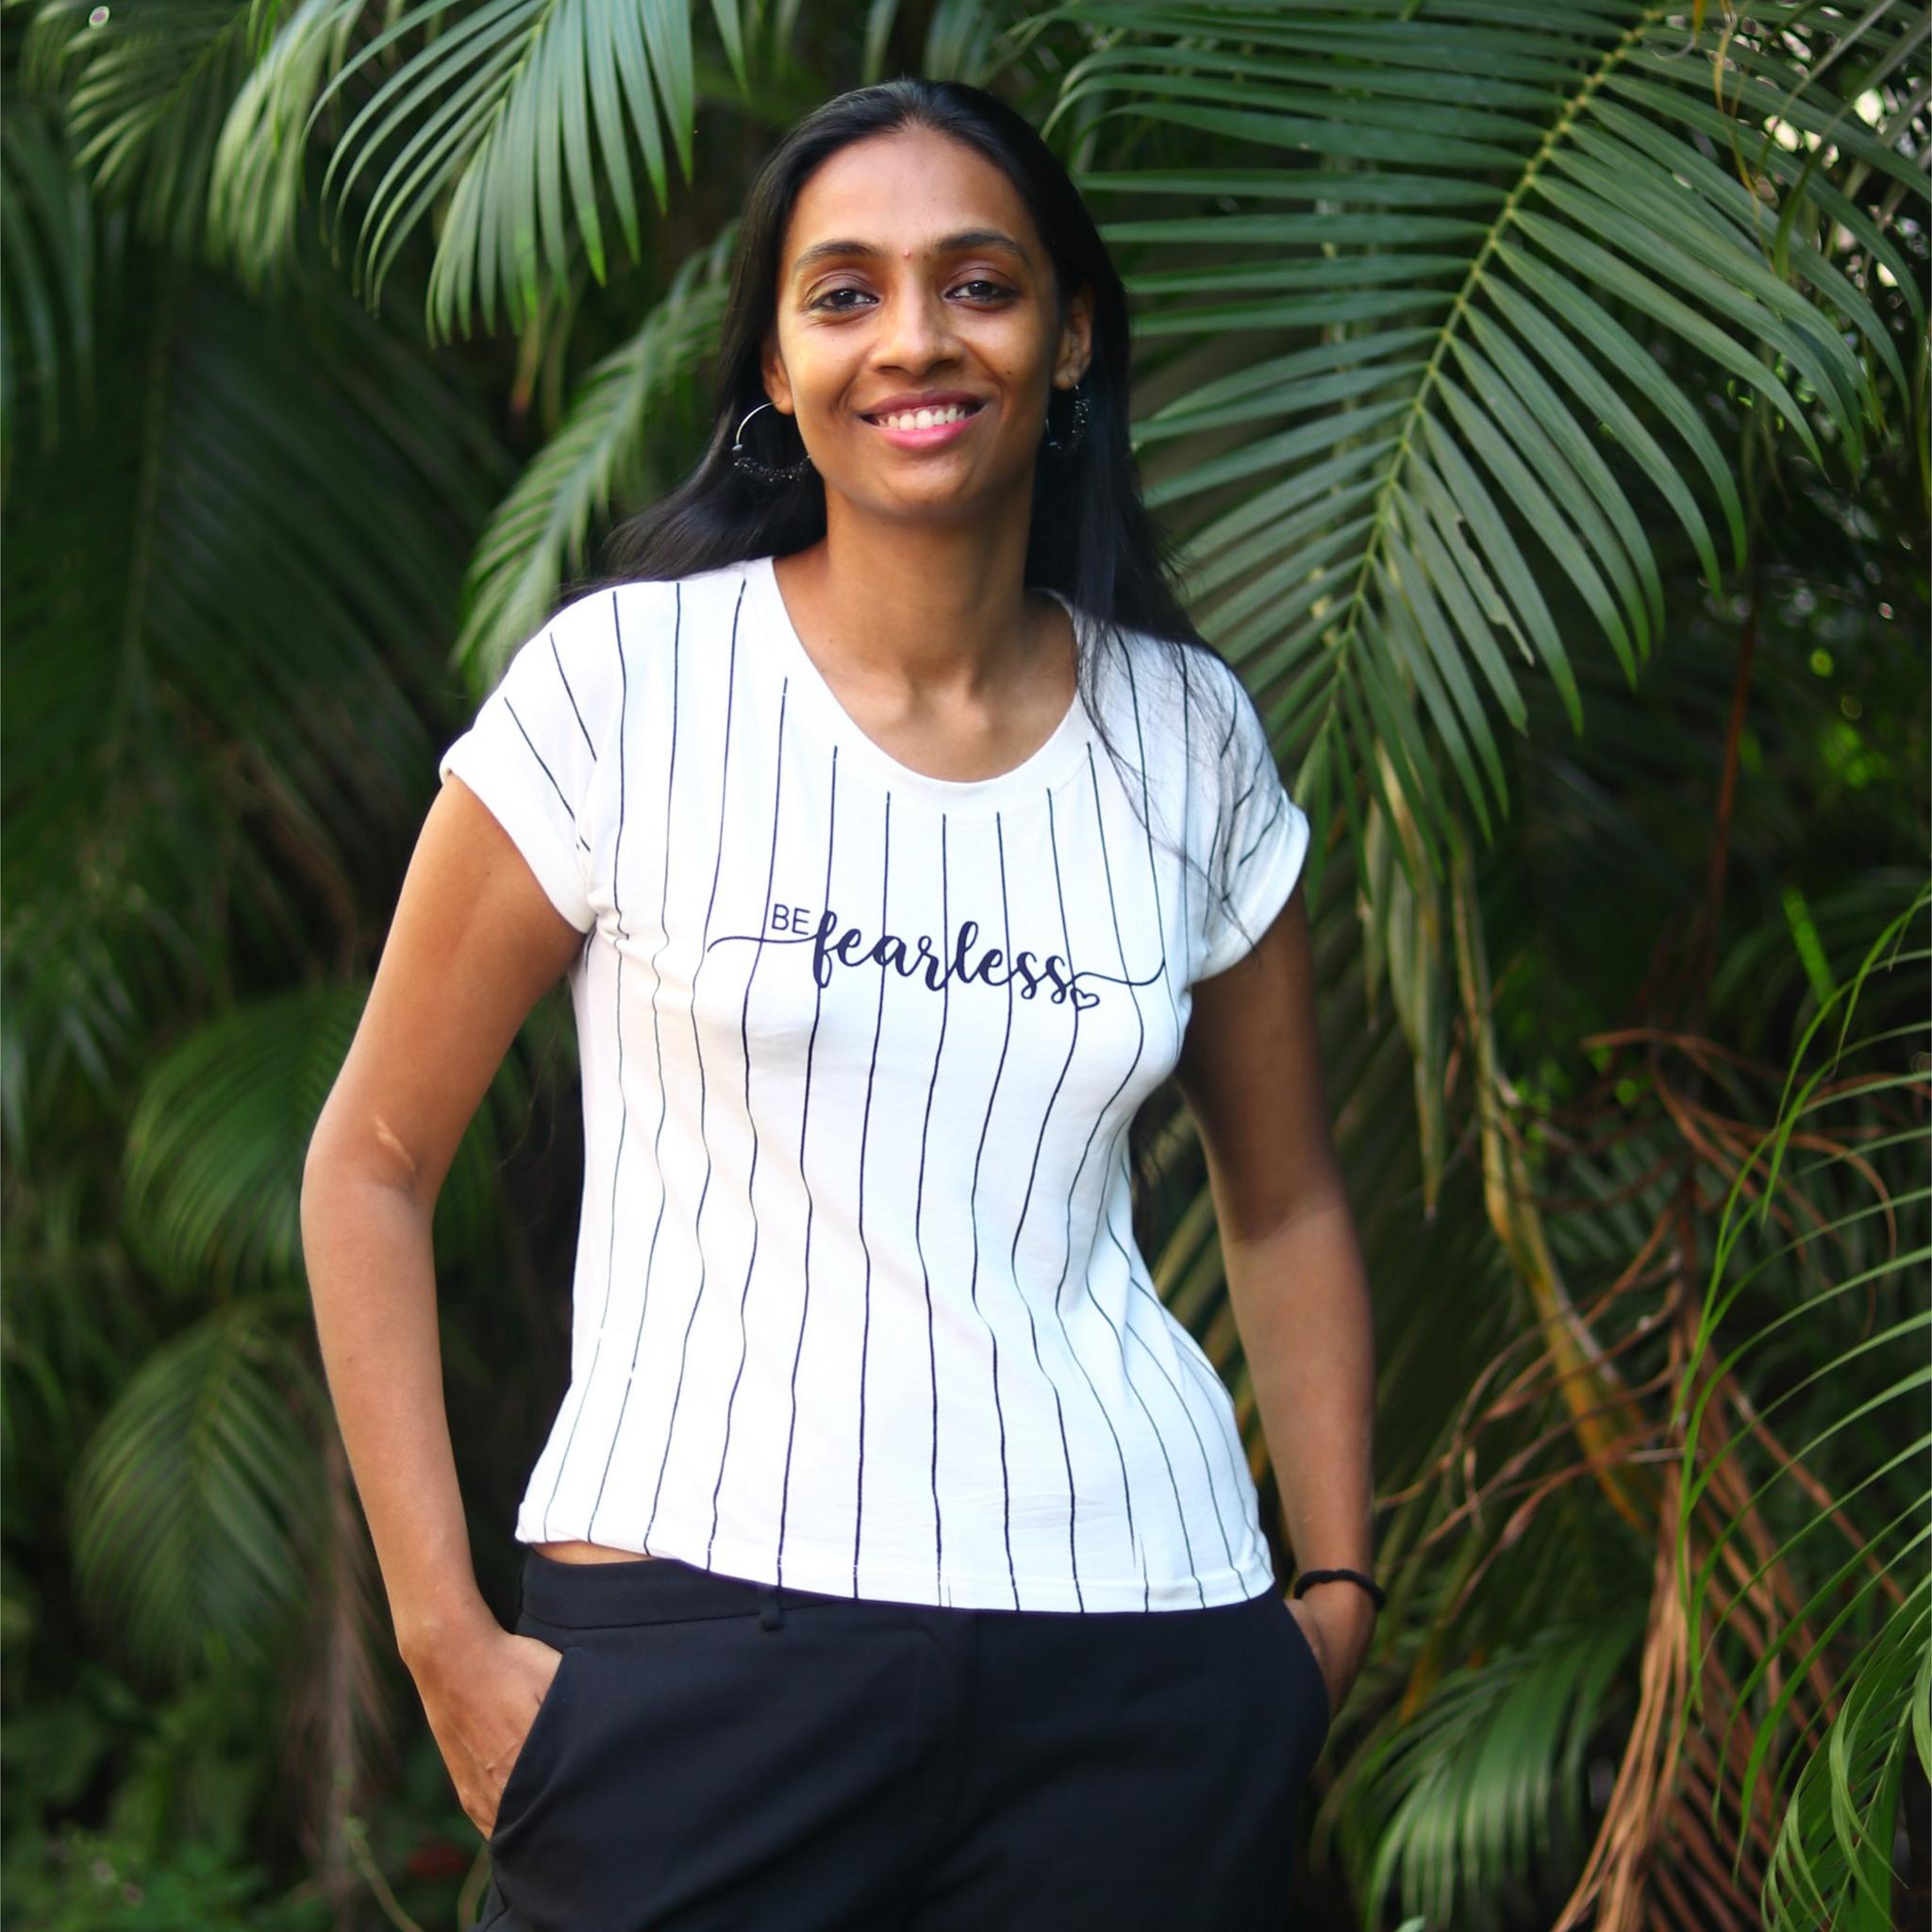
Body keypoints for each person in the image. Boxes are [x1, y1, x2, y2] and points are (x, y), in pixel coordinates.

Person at [300, 75, 1379, 1932]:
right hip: (696, 1666)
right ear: (781, 365)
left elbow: (1281, 1203)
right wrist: (447, 1645)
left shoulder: (1185, 737)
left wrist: (1331, 1605)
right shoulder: (625, 694)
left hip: (1143, 1666)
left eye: (976, 282)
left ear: (1067, 335)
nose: (915, 339)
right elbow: (369, 1163)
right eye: (845, 291)